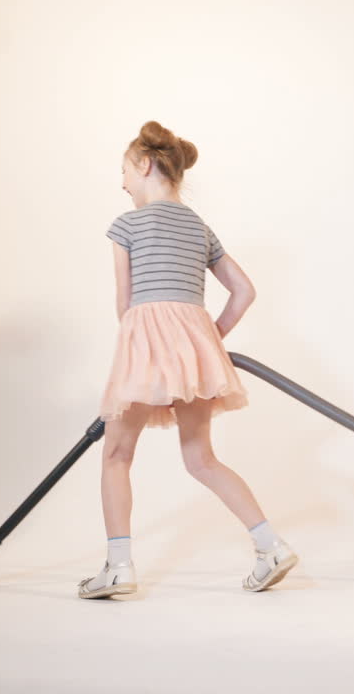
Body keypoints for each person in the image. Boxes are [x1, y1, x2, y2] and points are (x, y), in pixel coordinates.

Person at [79, 121, 297, 599]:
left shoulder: (126, 224)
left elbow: (126, 304)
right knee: (202, 459)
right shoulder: (199, 226)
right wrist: (205, 344)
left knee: (116, 454)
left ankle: (118, 567)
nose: (121, 183)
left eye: (123, 171)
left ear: (144, 164)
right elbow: (244, 291)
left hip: (145, 340)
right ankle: (271, 546)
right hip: (195, 345)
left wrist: (147, 357)